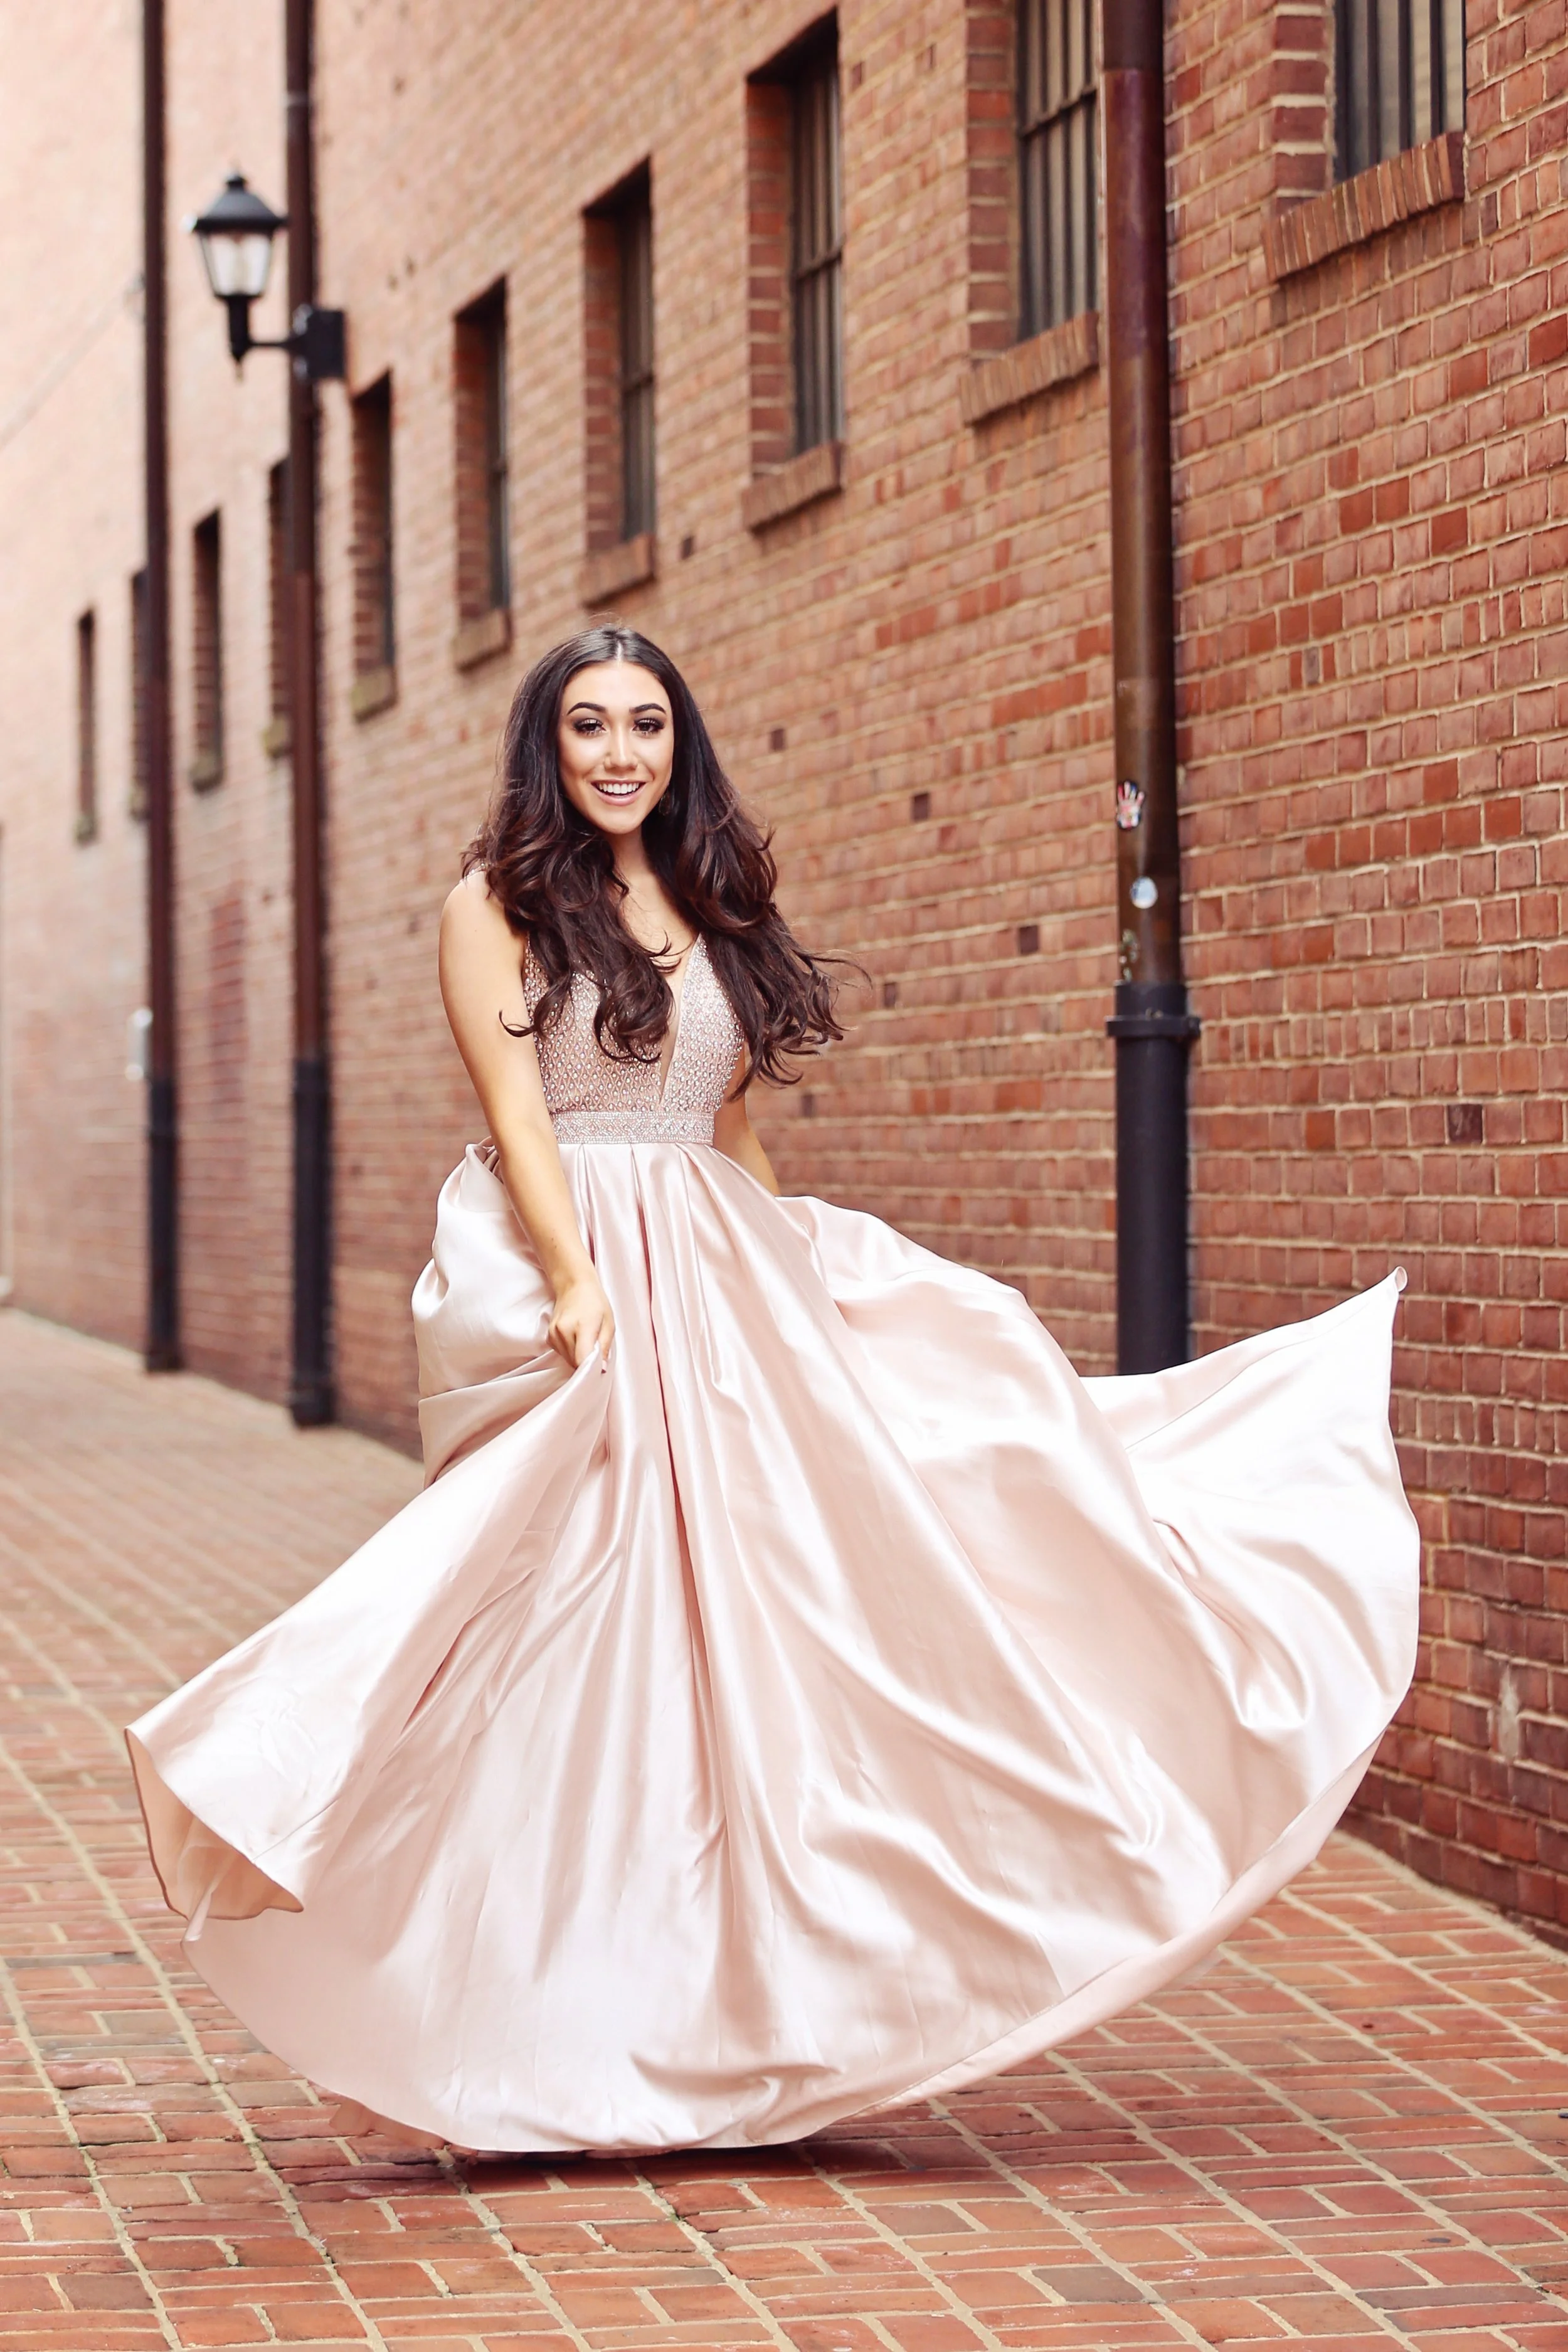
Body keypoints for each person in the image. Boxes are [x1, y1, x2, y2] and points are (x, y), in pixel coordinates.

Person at [127, 624, 1419, 2156]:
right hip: (589, 1282)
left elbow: (727, 1136)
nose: (620, 754)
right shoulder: (496, 904)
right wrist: (572, 1275)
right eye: (591, 725)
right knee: (569, 1627)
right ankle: (519, 1996)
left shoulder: (715, 899)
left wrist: (803, 1278)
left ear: (681, 748)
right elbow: (517, 1113)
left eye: (648, 728)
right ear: (547, 744)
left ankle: (762, 2006)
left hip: (723, 1280)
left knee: (775, 1622)